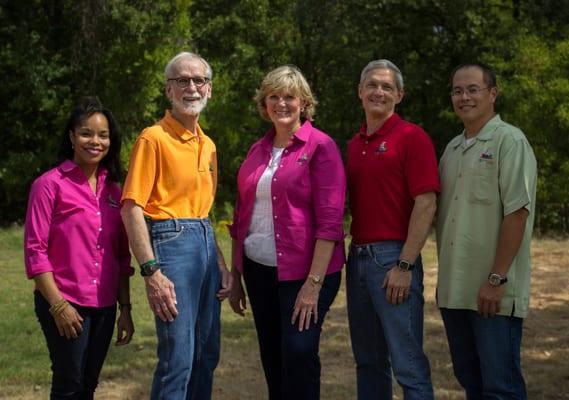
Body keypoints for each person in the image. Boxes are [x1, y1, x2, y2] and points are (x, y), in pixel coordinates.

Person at [228, 65, 346, 400]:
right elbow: (241, 217)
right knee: (272, 355)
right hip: (258, 269)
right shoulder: (257, 151)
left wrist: (313, 285)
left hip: (306, 273)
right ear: (264, 103)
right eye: (273, 97)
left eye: (289, 97)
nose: (281, 103)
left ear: (303, 103)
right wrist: (237, 277)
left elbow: (330, 223)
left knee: (298, 353)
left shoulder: (321, 147)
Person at [120, 51, 232, 400]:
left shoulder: (210, 145)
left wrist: (221, 263)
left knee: (206, 355)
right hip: (170, 244)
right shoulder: (153, 138)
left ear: (209, 89)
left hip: (204, 244)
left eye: (198, 80)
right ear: (169, 90)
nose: (191, 87)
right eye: (182, 80)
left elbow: (204, 212)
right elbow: (131, 207)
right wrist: (151, 271)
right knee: (178, 359)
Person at [436, 62, 537, 399]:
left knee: (501, 389)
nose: (464, 97)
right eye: (457, 90)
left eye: (472, 89)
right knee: (472, 384)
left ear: (492, 94)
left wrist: (496, 280)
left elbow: (517, 214)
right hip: (455, 291)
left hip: (493, 292)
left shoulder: (510, 141)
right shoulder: (451, 149)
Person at [24, 96, 134, 399]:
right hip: (63, 301)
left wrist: (125, 309)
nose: (94, 141)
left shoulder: (115, 191)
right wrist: (59, 306)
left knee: (88, 385)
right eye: (86, 133)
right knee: (68, 384)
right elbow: (35, 252)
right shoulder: (48, 185)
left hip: (105, 306)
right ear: (72, 137)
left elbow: (122, 256)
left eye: (103, 135)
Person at [346, 59, 438, 399]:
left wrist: (404, 265)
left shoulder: (412, 137)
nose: (378, 91)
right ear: (360, 92)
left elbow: (426, 203)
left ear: (399, 95)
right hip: (356, 260)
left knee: (408, 364)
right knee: (368, 363)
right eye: (372, 84)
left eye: (387, 87)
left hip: (393, 259)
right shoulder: (354, 145)